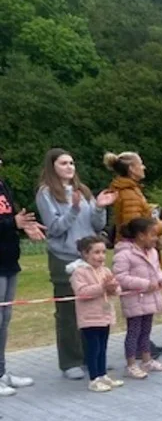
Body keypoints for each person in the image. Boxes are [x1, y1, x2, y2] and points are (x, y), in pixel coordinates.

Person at [35, 149, 116, 380]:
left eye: (71, 163)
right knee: (68, 312)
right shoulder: (46, 193)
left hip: (88, 259)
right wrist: (73, 209)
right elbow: (55, 228)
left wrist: (100, 207)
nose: (69, 167)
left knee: (93, 309)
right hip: (64, 258)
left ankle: (92, 359)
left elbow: (96, 225)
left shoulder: (83, 190)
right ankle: (70, 361)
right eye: (63, 163)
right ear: (52, 167)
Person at [104, 151, 162, 357]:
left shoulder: (130, 190)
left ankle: (144, 344)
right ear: (131, 168)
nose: (144, 167)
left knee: (144, 305)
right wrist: (159, 227)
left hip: (137, 249)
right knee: (139, 304)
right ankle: (139, 349)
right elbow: (134, 226)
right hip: (135, 253)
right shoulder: (129, 193)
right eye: (141, 164)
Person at [0, 159, 45, 395]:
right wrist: (12, 222)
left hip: (9, 260)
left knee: (4, 319)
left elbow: (10, 219)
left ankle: (1, 372)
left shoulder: (2, 185)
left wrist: (23, 225)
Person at [113, 217, 162, 378]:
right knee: (134, 332)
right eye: (153, 234)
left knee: (146, 331)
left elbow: (157, 269)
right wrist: (145, 284)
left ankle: (147, 360)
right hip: (134, 300)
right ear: (141, 236)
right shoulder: (124, 255)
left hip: (149, 299)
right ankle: (131, 365)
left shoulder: (152, 252)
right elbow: (120, 277)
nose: (156, 238)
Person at [67, 236, 123, 392]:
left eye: (103, 252)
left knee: (103, 347)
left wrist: (113, 288)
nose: (101, 256)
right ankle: (94, 379)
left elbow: (117, 289)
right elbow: (82, 292)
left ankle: (102, 374)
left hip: (105, 315)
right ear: (85, 254)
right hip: (89, 318)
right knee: (94, 348)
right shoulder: (79, 273)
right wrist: (102, 287)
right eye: (96, 252)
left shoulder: (105, 270)